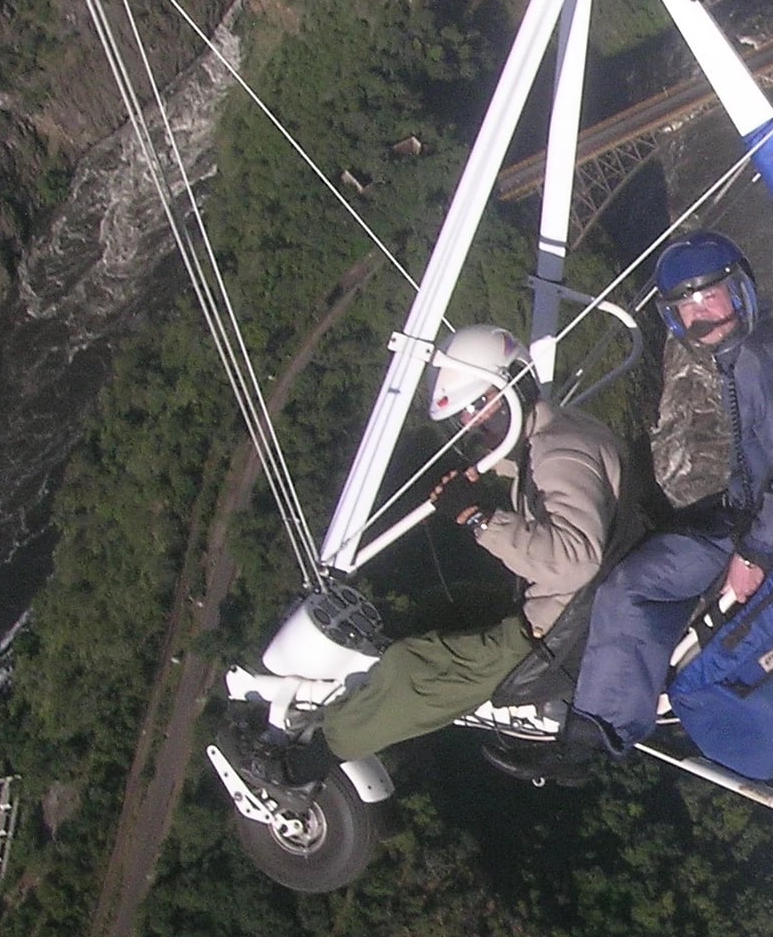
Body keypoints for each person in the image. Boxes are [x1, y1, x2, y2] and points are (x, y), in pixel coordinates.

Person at [258, 324, 622, 786]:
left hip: (560, 631)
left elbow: (575, 559)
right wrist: (483, 481)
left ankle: (306, 763)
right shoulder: (566, 429)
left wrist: (478, 518)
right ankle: (361, 693)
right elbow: (553, 484)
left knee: (412, 670)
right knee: (439, 611)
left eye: (483, 411)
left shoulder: (560, 452)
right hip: (574, 606)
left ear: (515, 387)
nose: (478, 426)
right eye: (468, 420)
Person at [557, 230, 773, 776]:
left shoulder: (760, 360)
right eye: (686, 305)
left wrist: (755, 554)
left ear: (741, 292)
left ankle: (596, 736)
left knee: (629, 587)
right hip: (748, 511)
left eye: (711, 296)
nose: (702, 313)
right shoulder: (765, 345)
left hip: (763, 525)